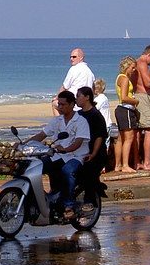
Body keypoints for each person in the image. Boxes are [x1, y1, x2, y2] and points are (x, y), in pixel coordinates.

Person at [20, 90, 90, 218]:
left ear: (72, 104)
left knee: (68, 171)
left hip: (75, 156)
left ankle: (69, 206)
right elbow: (41, 135)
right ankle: (43, 199)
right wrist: (23, 144)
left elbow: (79, 142)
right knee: (36, 167)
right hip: (58, 155)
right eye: (59, 104)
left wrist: (66, 149)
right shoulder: (57, 120)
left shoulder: (81, 121)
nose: (60, 107)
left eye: (63, 105)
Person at [76, 86, 108, 206]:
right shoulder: (78, 114)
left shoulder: (95, 115)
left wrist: (93, 154)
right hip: (81, 151)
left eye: (78, 96)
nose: (76, 99)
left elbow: (100, 136)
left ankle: (89, 202)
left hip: (96, 154)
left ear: (87, 97)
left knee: (88, 173)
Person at [113, 56, 139, 173]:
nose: (134, 70)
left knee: (120, 138)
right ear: (127, 67)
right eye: (132, 68)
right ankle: (125, 165)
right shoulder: (124, 79)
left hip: (121, 110)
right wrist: (135, 101)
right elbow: (124, 97)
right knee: (129, 138)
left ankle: (118, 164)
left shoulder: (119, 78)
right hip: (126, 109)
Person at [54, 47, 94, 113]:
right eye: (70, 57)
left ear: (81, 58)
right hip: (85, 104)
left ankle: (61, 122)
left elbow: (64, 87)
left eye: (74, 57)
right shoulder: (89, 72)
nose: (71, 59)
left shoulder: (74, 69)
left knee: (55, 104)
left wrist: (57, 98)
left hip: (73, 103)